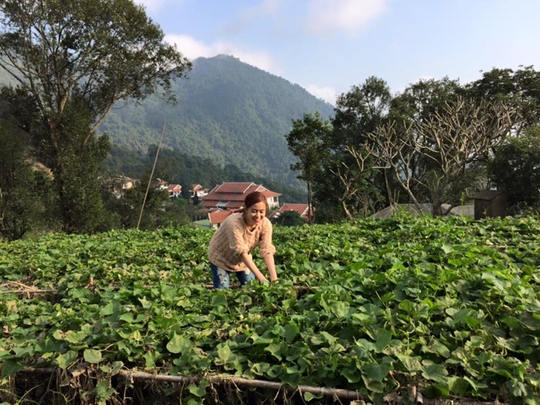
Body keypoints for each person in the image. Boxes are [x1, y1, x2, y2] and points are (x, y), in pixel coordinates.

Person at [208, 191, 278, 289]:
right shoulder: (234, 223)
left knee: (251, 288)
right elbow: (242, 253)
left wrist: (274, 279)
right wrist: (261, 278)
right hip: (221, 257)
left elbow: (267, 251)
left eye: (262, 211)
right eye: (254, 211)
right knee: (222, 291)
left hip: (242, 260)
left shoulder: (265, 224)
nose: (258, 216)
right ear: (246, 209)